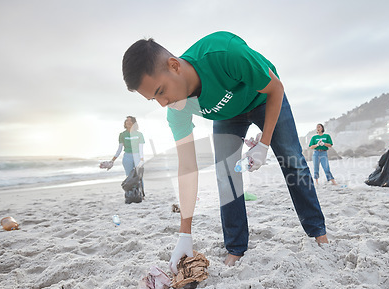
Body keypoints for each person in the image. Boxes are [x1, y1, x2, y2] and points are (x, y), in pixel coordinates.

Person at [122, 31, 328, 273]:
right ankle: (236, 248)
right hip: (228, 116)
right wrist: (185, 234)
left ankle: (318, 233)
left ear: (174, 66)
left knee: (292, 160)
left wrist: (264, 145)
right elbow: (187, 168)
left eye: (160, 91)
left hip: (264, 97)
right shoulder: (177, 109)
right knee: (226, 175)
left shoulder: (225, 53)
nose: (163, 103)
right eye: (153, 100)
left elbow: (276, 88)